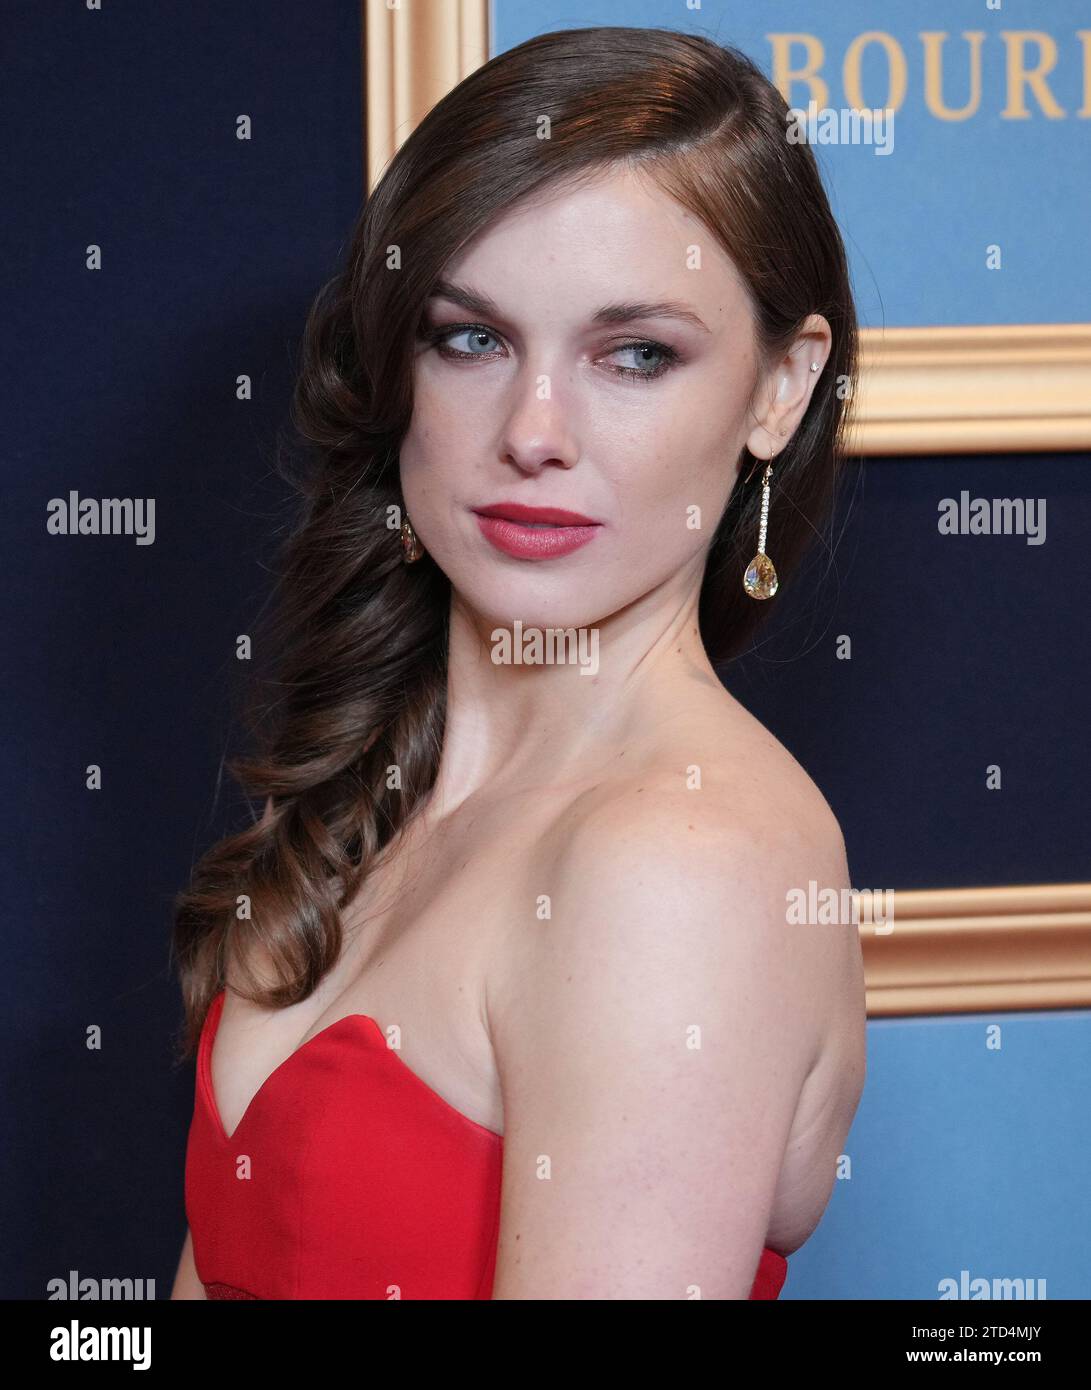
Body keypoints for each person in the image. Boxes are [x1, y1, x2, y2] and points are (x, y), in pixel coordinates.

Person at [170, 25, 866, 1301]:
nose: (531, 432)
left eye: (635, 354)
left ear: (779, 387)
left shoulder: (682, 860)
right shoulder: (361, 803)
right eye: (471, 339)